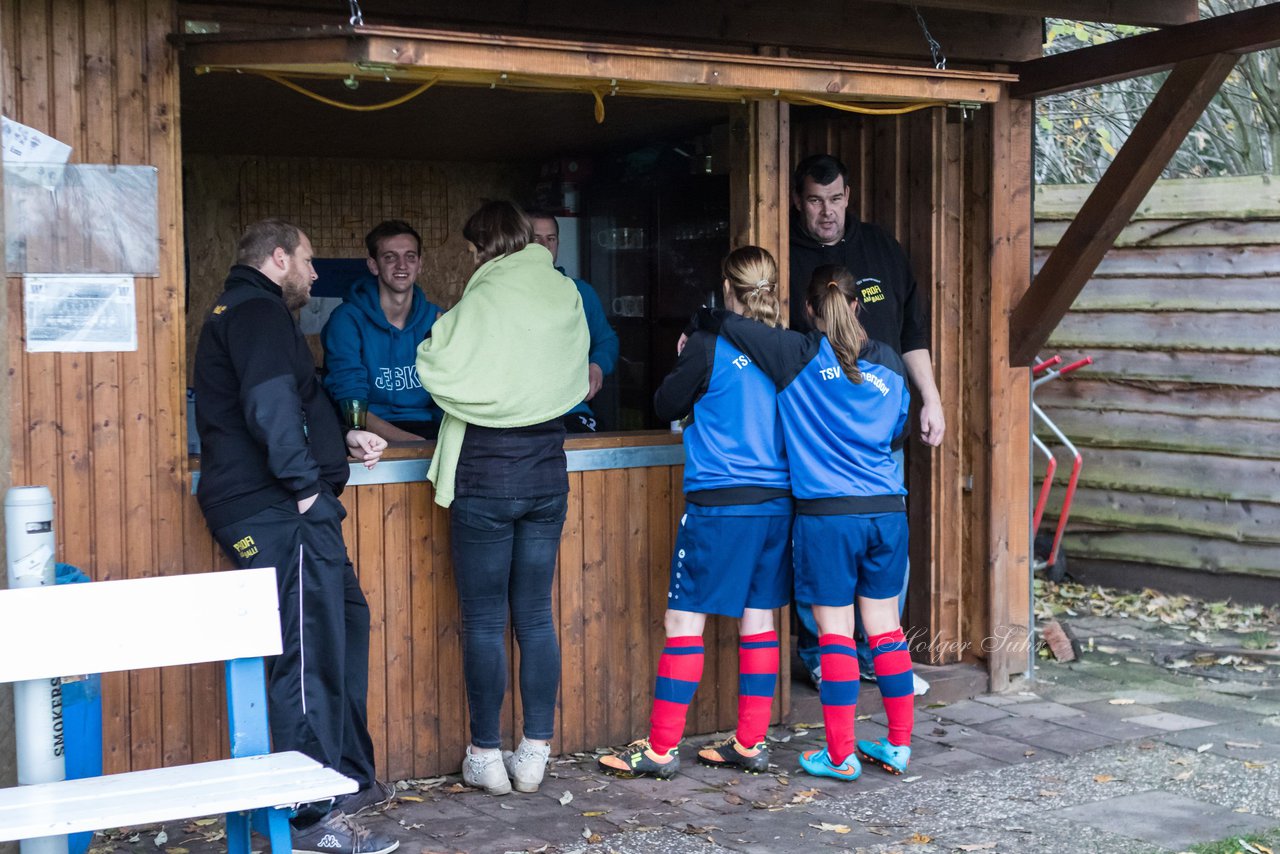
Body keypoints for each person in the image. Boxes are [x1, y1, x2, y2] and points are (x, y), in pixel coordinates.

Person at [193, 219, 399, 852]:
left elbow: (291, 404)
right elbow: (269, 409)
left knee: (345, 624)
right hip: (278, 510)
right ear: (278, 259)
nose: (315, 275)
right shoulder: (255, 313)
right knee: (306, 656)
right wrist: (307, 489)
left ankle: (342, 777)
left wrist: (342, 438)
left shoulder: (250, 311)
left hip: (287, 507)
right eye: (308, 262)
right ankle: (308, 817)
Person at [699, 264, 918, 782]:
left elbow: (735, 326)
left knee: (836, 635)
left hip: (827, 519)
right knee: (886, 629)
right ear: (856, 306)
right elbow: (897, 433)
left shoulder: (796, 354)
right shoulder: (888, 361)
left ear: (807, 309)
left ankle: (841, 755)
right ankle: (899, 746)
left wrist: (704, 312)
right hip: (888, 513)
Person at [415, 201, 589, 796]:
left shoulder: (483, 297)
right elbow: (575, 369)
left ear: (483, 248)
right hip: (546, 478)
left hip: (485, 478)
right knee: (536, 616)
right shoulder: (562, 292)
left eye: (471, 250)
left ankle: (486, 756)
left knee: (486, 620)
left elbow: (434, 362)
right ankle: (535, 752)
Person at [597, 246, 791, 780]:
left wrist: (686, 352)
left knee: (683, 621)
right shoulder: (790, 347)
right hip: (777, 505)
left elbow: (663, 406)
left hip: (720, 503)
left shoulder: (709, 346)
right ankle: (750, 743)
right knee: (759, 619)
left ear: (726, 291)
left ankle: (660, 751)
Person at [789, 153, 944, 692]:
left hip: (880, 434)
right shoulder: (785, 249)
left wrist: (932, 398)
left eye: (835, 200)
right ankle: (820, 653)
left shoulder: (880, 247)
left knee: (877, 540)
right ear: (796, 200)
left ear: (849, 196)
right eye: (814, 201)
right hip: (813, 434)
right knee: (822, 545)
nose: (826, 212)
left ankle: (878, 655)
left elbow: (913, 332)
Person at [322, 219, 444, 442]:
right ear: (373, 265)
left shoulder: (437, 320)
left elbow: (452, 389)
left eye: (410, 257)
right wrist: (411, 444)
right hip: (368, 430)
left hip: (429, 426)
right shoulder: (347, 319)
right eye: (390, 257)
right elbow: (350, 398)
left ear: (420, 264)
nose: (401, 265)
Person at [527, 209, 619, 432]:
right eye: (535, 239)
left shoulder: (580, 292)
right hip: (522, 414)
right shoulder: (505, 292)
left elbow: (607, 340)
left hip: (571, 411)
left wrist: (597, 366)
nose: (544, 246)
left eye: (551, 239)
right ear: (520, 243)